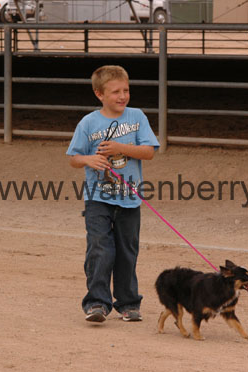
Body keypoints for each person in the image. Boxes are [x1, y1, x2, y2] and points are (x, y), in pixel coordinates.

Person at [67, 65, 159, 323]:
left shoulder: (137, 117)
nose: (122, 96)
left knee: (127, 251)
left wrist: (121, 147)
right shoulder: (89, 123)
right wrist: (89, 160)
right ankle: (97, 302)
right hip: (98, 198)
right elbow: (73, 158)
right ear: (99, 94)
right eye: (115, 92)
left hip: (130, 199)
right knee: (100, 248)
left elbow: (149, 151)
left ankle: (129, 303)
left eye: (126, 90)